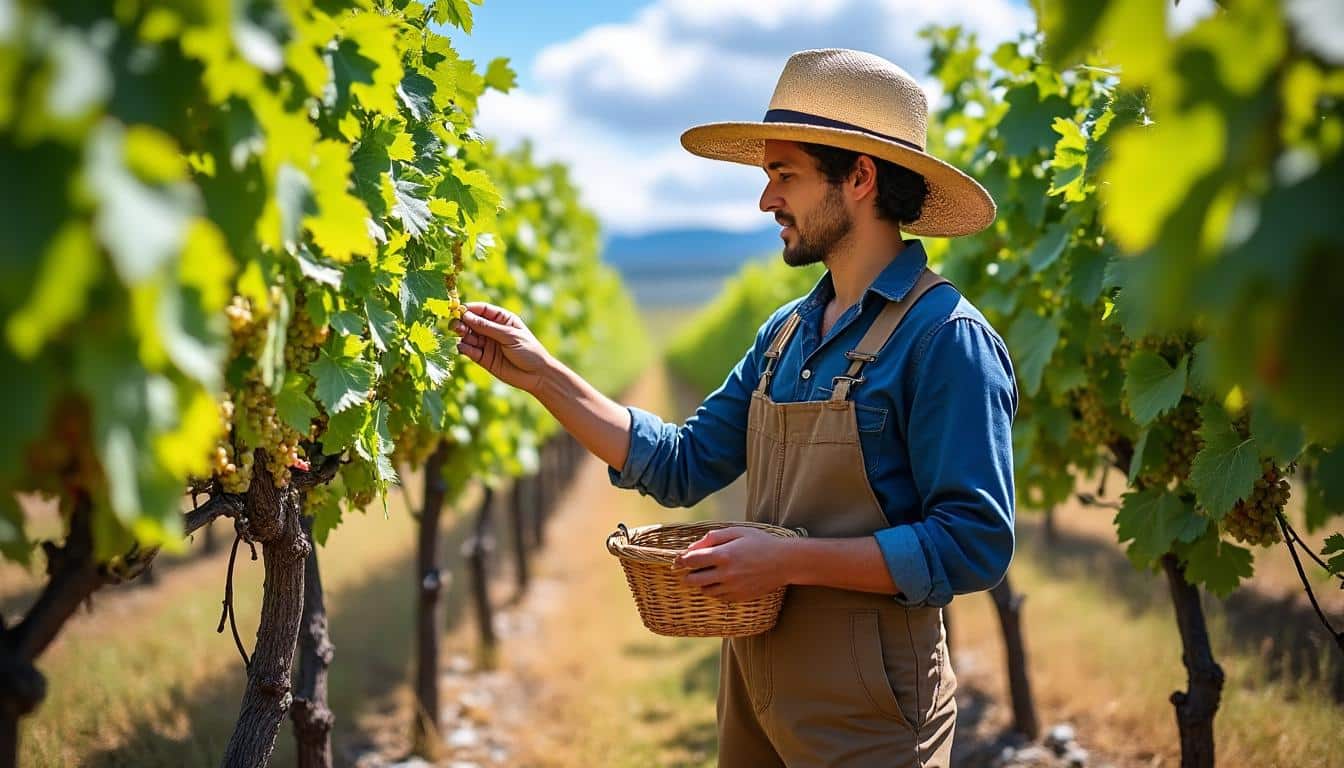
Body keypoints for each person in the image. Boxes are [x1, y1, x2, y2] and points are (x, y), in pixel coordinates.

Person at [452, 48, 1017, 768]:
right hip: (754, 683)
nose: (765, 200)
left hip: (872, 710)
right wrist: (543, 378)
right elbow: (683, 464)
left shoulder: (945, 340)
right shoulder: (784, 336)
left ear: (861, 178)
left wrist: (788, 562)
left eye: (785, 175)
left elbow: (973, 543)